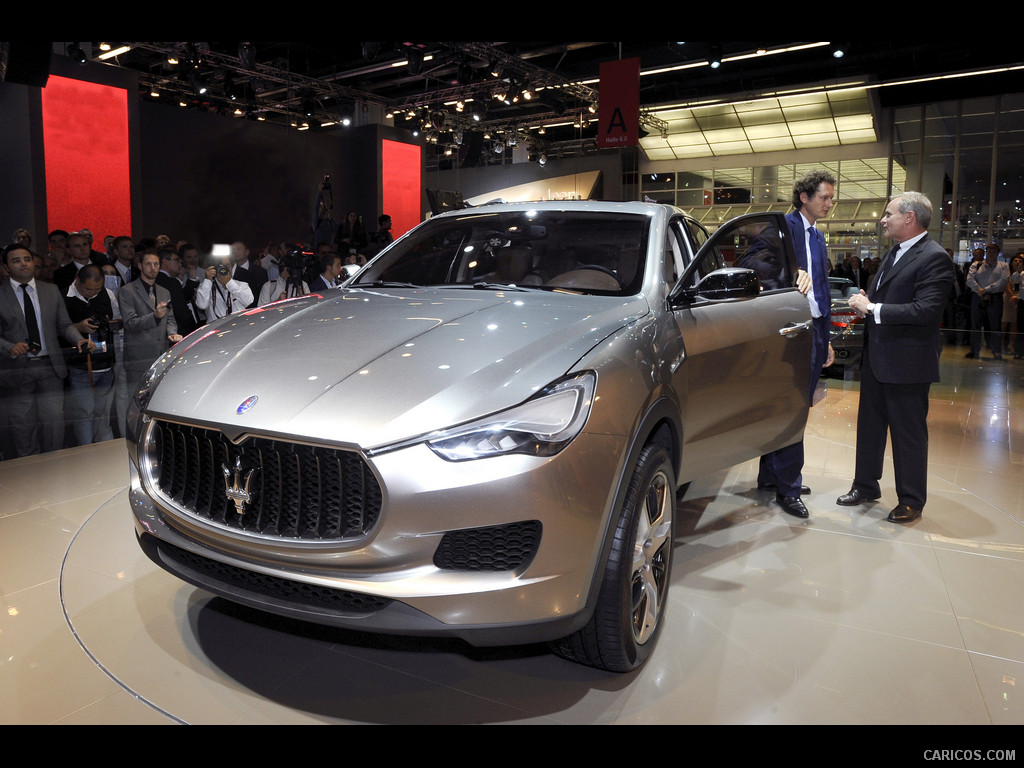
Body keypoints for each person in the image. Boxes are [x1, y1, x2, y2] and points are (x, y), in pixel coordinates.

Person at [839, 191, 955, 524]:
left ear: (909, 218)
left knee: (908, 435)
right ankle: (865, 485)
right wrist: (868, 301)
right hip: (878, 358)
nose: (882, 219)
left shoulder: (934, 257)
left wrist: (872, 307)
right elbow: (889, 300)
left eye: (889, 214)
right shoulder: (895, 253)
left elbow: (926, 310)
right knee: (870, 426)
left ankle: (912, 499)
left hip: (908, 363)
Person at [756, 169, 836, 519]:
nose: (829, 204)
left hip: (814, 329)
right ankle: (788, 487)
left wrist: (827, 337)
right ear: (804, 197)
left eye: (831, 198)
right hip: (790, 330)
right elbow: (752, 264)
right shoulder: (779, 228)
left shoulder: (817, 237)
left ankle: (772, 475)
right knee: (792, 407)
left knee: (792, 403)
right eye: (824, 197)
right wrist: (788, 275)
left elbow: (821, 290)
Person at [0, 244, 93, 456]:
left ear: (34, 263)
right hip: (16, 369)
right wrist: (9, 347)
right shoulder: (1, 294)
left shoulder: (50, 290)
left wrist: (78, 339)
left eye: (27, 259)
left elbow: (64, 325)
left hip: (50, 367)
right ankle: (29, 466)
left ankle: (53, 464)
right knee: (23, 423)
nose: (23, 263)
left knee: (54, 421)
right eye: (16, 260)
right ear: (6, 268)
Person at [63, 263, 120, 445]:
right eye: (88, 289)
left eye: (97, 289)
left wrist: (109, 324)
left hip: (105, 364)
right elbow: (56, 327)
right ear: (77, 280)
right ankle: (85, 450)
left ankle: (101, 450)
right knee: (84, 413)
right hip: (80, 367)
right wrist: (78, 327)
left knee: (103, 413)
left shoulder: (108, 294)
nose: (93, 293)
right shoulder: (63, 296)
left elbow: (119, 320)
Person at [118, 251, 182, 398]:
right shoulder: (127, 291)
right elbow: (129, 323)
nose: (152, 268)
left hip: (161, 356)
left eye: (156, 264)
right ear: (140, 265)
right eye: (148, 264)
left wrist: (172, 332)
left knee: (158, 399)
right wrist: (154, 316)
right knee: (136, 402)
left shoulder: (164, 291)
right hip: (139, 357)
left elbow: (170, 318)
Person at [965, 244, 1008, 360]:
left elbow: (1002, 281)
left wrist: (986, 290)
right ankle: (974, 351)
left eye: (994, 251)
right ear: (986, 252)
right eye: (989, 251)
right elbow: (969, 280)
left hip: (995, 297)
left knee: (995, 325)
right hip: (977, 296)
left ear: (998, 253)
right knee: (975, 324)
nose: (991, 253)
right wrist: (980, 291)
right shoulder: (976, 264)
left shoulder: (1003, 266)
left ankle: (996, 351)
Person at [195, 256, 254, 321]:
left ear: (231, 268)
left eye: (227, 265)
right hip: (216, 328)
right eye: (219, 266)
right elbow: (202, 305)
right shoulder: (206, 286)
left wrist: (229, 284)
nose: (224, 268)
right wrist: (207, 280)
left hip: (239, 326)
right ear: (213, 269)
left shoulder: (241, 285)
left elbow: (249, 301)